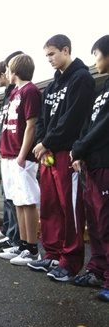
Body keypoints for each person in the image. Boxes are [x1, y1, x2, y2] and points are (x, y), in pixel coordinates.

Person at [29, 34, 95, 282]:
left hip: (67, 152)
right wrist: (43, 143)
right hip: (48, 153)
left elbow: (74, 118)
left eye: (52, 54)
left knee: (70, 209)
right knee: (50, 206)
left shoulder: (82, 79)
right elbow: (42, 118)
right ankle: (53, 253)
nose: (48, 59)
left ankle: (70, 262)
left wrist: (47, 142)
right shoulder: (53, 85)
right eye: (46, 55)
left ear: (66, 50)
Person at [71, 35, 109, 301]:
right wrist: (78, 150)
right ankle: (98, 271)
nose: (95, 61)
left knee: (107, 224)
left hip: (106, 163)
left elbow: (104, 125)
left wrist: (80, 147)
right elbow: (88, 122)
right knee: (94, 223)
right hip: (91, 165)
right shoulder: (102, 88)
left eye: (96, 54)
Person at [0, 54, 42, 265]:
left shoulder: (30, 91)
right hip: (8, 153)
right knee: (17, 201)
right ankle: (22, 244)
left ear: (14, 71)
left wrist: (23, 154)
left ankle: (32, 249)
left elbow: (31, 125)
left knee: (27, 200)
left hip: (20, 155)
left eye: (8, 69)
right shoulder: (14, 92)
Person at [0, 54, 22, 250]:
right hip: (4, 150)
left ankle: (15, 236)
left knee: (15, 198)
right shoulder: (9, 95)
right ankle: (9, 230)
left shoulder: (21, 92)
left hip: (15, 153)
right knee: (8, 195)